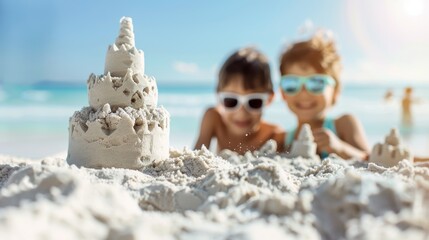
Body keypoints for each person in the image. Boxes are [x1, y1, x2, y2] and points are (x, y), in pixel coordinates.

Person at [279, 32, 369, 160]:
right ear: (282, 93)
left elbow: (371, 159)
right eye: (292, 83)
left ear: (335, 92)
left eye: (316, 82)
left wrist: (340, 148)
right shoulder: (286, 138)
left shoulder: (344, 125)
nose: (303, 92)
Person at [194, 47, 285, 154]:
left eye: (254, 101)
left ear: (269, 99)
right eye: (231, 101)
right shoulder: (214, 119)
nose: (241, 112)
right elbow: (194, 158)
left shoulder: (274, 136)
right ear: (219, 97)